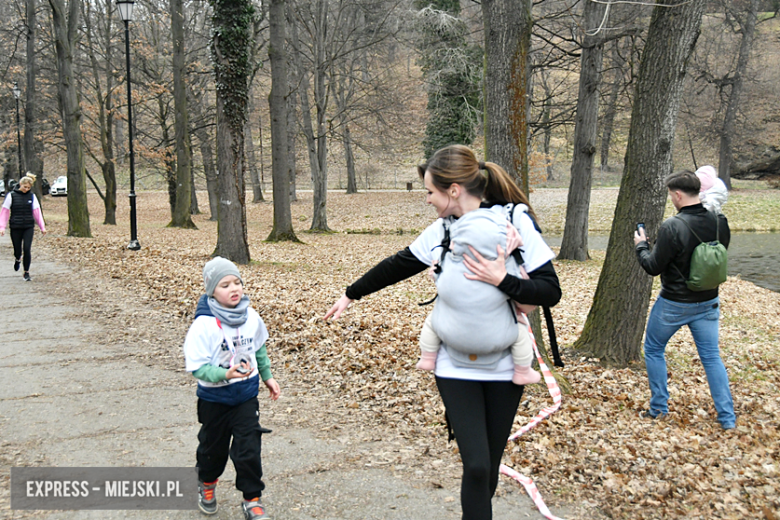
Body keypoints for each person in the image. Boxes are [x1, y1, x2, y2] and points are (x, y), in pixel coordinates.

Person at [325, 145, 561, 520]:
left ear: (453, 190)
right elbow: (399, 264)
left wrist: (502, 280)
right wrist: (351, 294)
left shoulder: (514, 223)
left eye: (430, 192)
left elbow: (551, 291)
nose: (428, 200)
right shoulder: (443, 230)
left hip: (505, 365)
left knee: (488, 467)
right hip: (454, 365)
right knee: (478, 465)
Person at [634, 169, 736, 430]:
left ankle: (658, 408)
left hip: (674, 304)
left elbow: (653, 267)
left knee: (654, 349)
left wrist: (641, 246)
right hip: (709, 301)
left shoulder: (672, 225)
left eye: (671, 194)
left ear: (678, 194)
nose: (671, 198)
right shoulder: (718, 221)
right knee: (712, 357)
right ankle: (727, 418)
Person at [183, 257, 281, 519]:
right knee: (212, 451)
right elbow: (198, 368)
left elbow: (259, 347)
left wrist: (267, 376)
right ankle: (207, 483)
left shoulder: (251, 316)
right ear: (212, 291)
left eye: (237, 282)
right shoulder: (203, 326)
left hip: (246, 396)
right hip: (214, 399)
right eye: (225, 284)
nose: (234, 288)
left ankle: (252, 499)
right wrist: (225, 373)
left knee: (248, 449)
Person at [416, 205, 541, 386]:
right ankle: (523, 370)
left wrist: (434, 270)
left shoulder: (449, 261)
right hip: (498, 337)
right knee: (521, 333)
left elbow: (438, 276)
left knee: (432, 321)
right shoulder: (508, 265)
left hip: (452, 334)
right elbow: (526, 291)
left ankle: (427, 356)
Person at [0, 173, 47, 282]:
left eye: (28, 188)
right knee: (17, 249)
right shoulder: (11, 196)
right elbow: (5, 212)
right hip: (15, 226)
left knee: (27, 248)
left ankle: (26, 272)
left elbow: (37, 212)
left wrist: (42, 227)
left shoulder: (32, 196)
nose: (26, 189)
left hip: (28, 226)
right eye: (25, 187)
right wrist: (2, 227)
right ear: (20, 184)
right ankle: (17, 258)